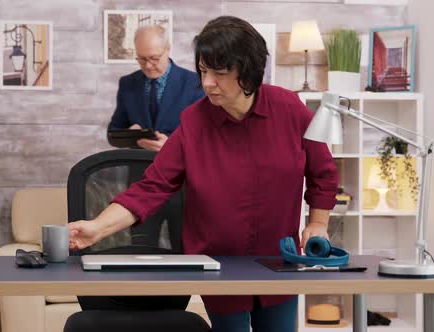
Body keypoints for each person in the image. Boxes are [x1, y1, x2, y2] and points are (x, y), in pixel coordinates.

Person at [71, 16, 338, 332]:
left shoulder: (290, 108)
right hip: (218, 267)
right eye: (203, 71)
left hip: (279, 264)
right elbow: (150, 188)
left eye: (220, 73)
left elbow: (322, 172)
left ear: (249, 73)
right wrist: (98, 228)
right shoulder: (194, 122)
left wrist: (318, 223)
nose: (207, 82)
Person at [108, 25, 205, 151]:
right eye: (142, 59)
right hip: (138, 167)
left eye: (154, 58)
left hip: (179, 167)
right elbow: (112, 134)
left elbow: (203, 136)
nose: (148, 66)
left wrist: (172, 144)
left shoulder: (195, 83)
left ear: (168, 49)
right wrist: (129, 135)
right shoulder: (127, 83)